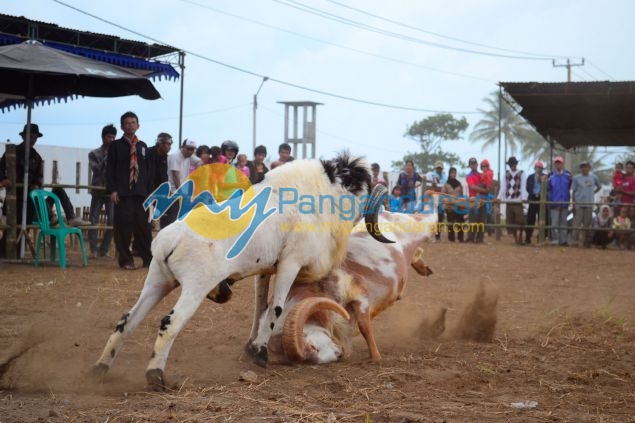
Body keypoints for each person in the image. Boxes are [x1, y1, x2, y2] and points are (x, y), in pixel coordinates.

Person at [0, 123, 87, 227]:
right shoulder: (12, 152)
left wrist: (36, 185)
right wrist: (4, 179)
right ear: (23, 136)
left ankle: (70, 217)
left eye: (35, 137)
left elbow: (39, 178)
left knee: (56, 189)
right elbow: (0, 168)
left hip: (33, 203)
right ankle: (50, 216)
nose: (32, 140)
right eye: (30, 137)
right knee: (13, 233)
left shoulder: (37, 157)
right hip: (16, 199)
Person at [106, 111, 153, 270]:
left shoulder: (143, 146)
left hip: (141, 193)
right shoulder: (115, 146)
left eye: (133, 122)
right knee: (123, 227)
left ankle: (148, 259)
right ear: (121, 126)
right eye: (127, 123)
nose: (130, 125)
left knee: (144, 226)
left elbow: (146, 170)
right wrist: (112, 190)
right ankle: (126, 260)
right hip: (123, 192)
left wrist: (148, 192)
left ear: (138, 125)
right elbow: (110, 169)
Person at [87, 124, 116, 259]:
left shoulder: (116, 153)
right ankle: (93, 250)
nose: (111, 139)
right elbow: (96, 170)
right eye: (109, 137)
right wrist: (107, 157)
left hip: (111, 191)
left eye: (113, 137)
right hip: (98, 190)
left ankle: (104, 250)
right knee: (93, 220)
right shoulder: (94, 154)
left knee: (112, 221)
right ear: (103, 137)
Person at [163, 138, 203, 227]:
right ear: (182, 147)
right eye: (188, 148)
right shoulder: (175, 156)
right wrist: (181, 192)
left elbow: (200, 162)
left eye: (192, 149)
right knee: (172, 218)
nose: (190, 151)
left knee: (179, 217)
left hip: (181, 191)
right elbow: (175, 175)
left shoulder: (189, 157)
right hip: (173, 191)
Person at [570, 161, 601, 247]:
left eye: (586, 166)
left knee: (587, 224)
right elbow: (574, 191)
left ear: (589, 167)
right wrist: (573, 203)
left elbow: (599, 186)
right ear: (581, 168)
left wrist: (593, 193)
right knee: (576, 223)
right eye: (583, 167)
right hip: (579, 204)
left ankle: (585, 242)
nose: (584, 168)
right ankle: (574, 241)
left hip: (589, 203)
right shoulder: (576, 178)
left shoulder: (594, 177)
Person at [146, 132, 173, 230]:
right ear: (160, 143)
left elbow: (163, 176)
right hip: (146, 192)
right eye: (167, 144)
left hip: (159, 192)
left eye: (170, 144)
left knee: (166, 217)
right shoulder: (148, 153)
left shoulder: (165, 157)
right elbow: (149, 175)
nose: (169, 147)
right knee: (145, 221)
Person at [498, 156, 527, 245]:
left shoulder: (522, 173)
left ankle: (520, 236)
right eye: (511, 164)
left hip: (518, 201)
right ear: (510, 165)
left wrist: (524, 198)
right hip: (509, 200)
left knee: (520, 220)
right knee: (511, 221)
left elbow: (523, 186)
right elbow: (503, 186)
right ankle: (516, 238)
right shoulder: (506, 174)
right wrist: (499, 197)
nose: (513, 166)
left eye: (514, 164)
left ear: (516, 164)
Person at [547, 156, 572, 246]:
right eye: (556, 162)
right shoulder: (550, 176)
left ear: (562, 164)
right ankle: (555, 240)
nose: (558, 164)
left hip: (564, 203)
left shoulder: (568, 175)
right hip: (554, 203)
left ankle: (563, 240)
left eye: (559, 162)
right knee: (554, 223)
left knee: (563, 223)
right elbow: (548, 188)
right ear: (554, 164)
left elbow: (569, 186)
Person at [465, 157, 489, 243]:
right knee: (473, 220)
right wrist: (483, 190)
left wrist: (483, 189)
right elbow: (472, 187)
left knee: (481, 220)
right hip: (474, 200)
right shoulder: (469, 176)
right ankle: (470, 238)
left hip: (482, 200)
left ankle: (480, 239)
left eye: (474, 163)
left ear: (477, 165)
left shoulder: (481, 175)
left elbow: (486, 184)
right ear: (470, 166)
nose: (473, 165)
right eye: (472, 164)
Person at [525, 161, 547, 244]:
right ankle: (528, 238)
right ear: (535, 168)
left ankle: (541, 238)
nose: (538, 169)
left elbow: (547, 187)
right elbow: (527, 187)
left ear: (542, 169)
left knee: (542, 219)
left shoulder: (545, 177)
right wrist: (532, 193)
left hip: (542, 198)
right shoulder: (530, 177)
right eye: (537, 168)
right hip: (533, 197)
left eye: (540, 168)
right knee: (530, 219)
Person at [443, 167, 464, 243]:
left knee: (461, 222)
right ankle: (451, 239)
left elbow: (462, 195)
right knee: (451, 223)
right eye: (452, 173)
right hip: (450, 207)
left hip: (458, 206)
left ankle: (460, 238)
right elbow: (443, 196)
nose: (453, 174)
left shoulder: (459, 184)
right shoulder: (446, 184)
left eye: (454, 173)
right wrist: (447, 206)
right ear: (449, 174)